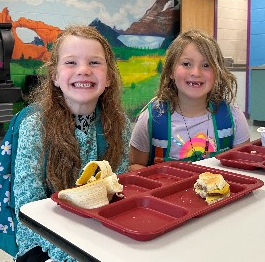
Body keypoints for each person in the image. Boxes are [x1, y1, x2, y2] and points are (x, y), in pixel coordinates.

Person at [14, 25, 131, 261]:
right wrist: (73, 254)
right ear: (55, 76)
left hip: (99, 231)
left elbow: (118, 190)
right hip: (42, 240)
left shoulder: (121, 125)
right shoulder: (35, 126)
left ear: (108, 78)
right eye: (71, 62)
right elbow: (29, 208)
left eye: (95, 63)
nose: (84, 70)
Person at [129, 29, 250, 171]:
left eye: (206, 65)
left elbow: (244, 167)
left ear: (217, 73)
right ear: (170, 71)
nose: (196, 73)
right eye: (186, 64)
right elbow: (134, 166)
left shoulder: (232, 117)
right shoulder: (151, 119)